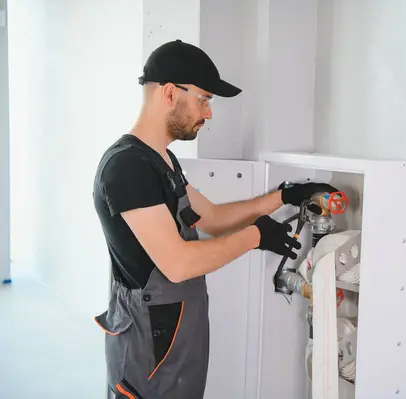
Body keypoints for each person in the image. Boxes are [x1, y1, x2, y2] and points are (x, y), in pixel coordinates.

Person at [92, 39, 337, 399]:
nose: (208, 114)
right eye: (204, 100)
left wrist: (282, 197)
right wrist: (255, 236)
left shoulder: (162, 161)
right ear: (171, 93)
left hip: (175, 334)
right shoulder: (127, 168)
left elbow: (214, 218)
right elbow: (177, 264)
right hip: (149, 345)